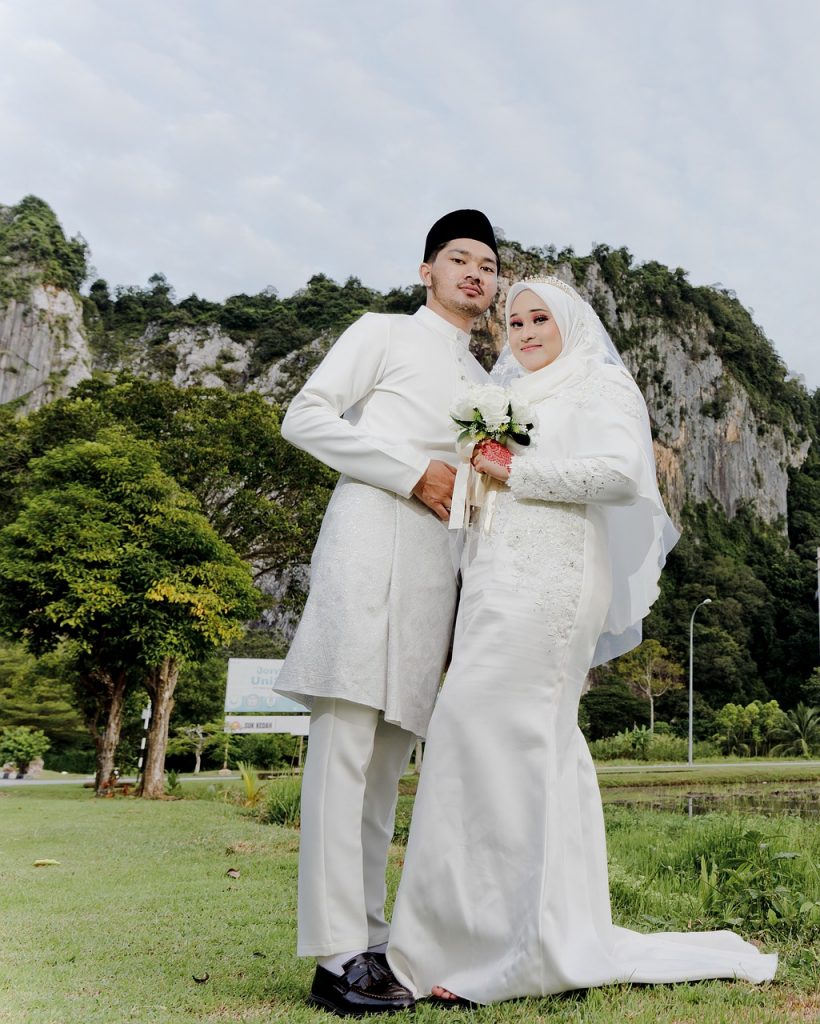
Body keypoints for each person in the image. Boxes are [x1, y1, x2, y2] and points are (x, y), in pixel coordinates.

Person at [386, 277, 778, 1005]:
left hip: (557, 578)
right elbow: (484, 490)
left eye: (541, 318)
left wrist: (513, 468)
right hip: (495, 578)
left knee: (518, 736)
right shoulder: (507, 399)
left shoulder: (599, 384)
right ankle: (465, 940)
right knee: (475, 735)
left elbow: (623, 474)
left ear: (569, 322)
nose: (527, 331)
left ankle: (520, 953)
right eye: (515, 321)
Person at [273, 210, 498, 1016]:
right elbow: (304, 416)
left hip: (437, 574)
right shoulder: (382, 332)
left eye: (488, 264)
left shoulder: (488, 385)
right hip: (369, 544)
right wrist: (412, 473)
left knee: (387, 765)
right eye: (458, 258)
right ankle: (335, 958)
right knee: (344, 750)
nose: (476, 272)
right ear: (426, 272)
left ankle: (371, 941)